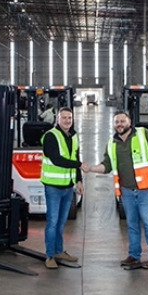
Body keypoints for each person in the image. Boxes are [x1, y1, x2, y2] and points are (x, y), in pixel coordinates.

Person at [85, 111, 148, 269]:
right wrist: (91, 168)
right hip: (127, 191)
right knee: (132, 223)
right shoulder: (112, 143)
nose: (119, 124)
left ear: (129, 121)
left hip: (146, 189)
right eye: (117, 122)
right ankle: (134, 255)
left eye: (122, 121)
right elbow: (106, 165)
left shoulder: (143, 134)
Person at [40, 107, 87, 269]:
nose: (67, 120)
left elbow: (75, 157)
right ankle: (50, 256)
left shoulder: (73, 136)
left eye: (70, 118)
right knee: (52, 222)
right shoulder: (50, 136)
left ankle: (59, 251)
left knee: (61, 223)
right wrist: (79, 165)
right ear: (57, 119)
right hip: (53, 187)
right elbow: (56, 159)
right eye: (64, 117)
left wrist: (79, 180)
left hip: (68, 187)